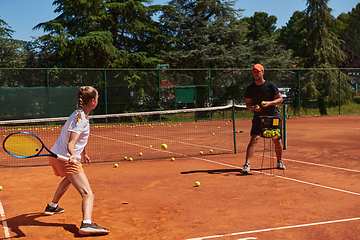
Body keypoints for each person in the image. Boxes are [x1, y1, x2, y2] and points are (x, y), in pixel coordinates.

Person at [44, 86, 110, 236]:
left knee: (69, 179)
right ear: (92, 101)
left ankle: (52, 206)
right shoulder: (80, 119)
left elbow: (79, 139)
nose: (98, 101)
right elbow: (71, 143)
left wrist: (84, 153)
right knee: (88, 194)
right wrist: (73, 155)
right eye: (97, 98)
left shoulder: (80, 114)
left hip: (56, 156)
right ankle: (87, 223)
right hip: (66, 158)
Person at [241, 64, 286, 173]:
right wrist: (253, 108)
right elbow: (248, 104)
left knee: (276, 139)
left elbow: (280, 99)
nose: (256, 73)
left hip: (273, 116)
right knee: (254, 138)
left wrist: (270, 103)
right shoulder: (250, 88)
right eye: (254, 72)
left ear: (263, 72)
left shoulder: (271, 86)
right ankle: (247, 164)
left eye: (258, 71)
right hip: (258, 117)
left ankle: (279, 161)